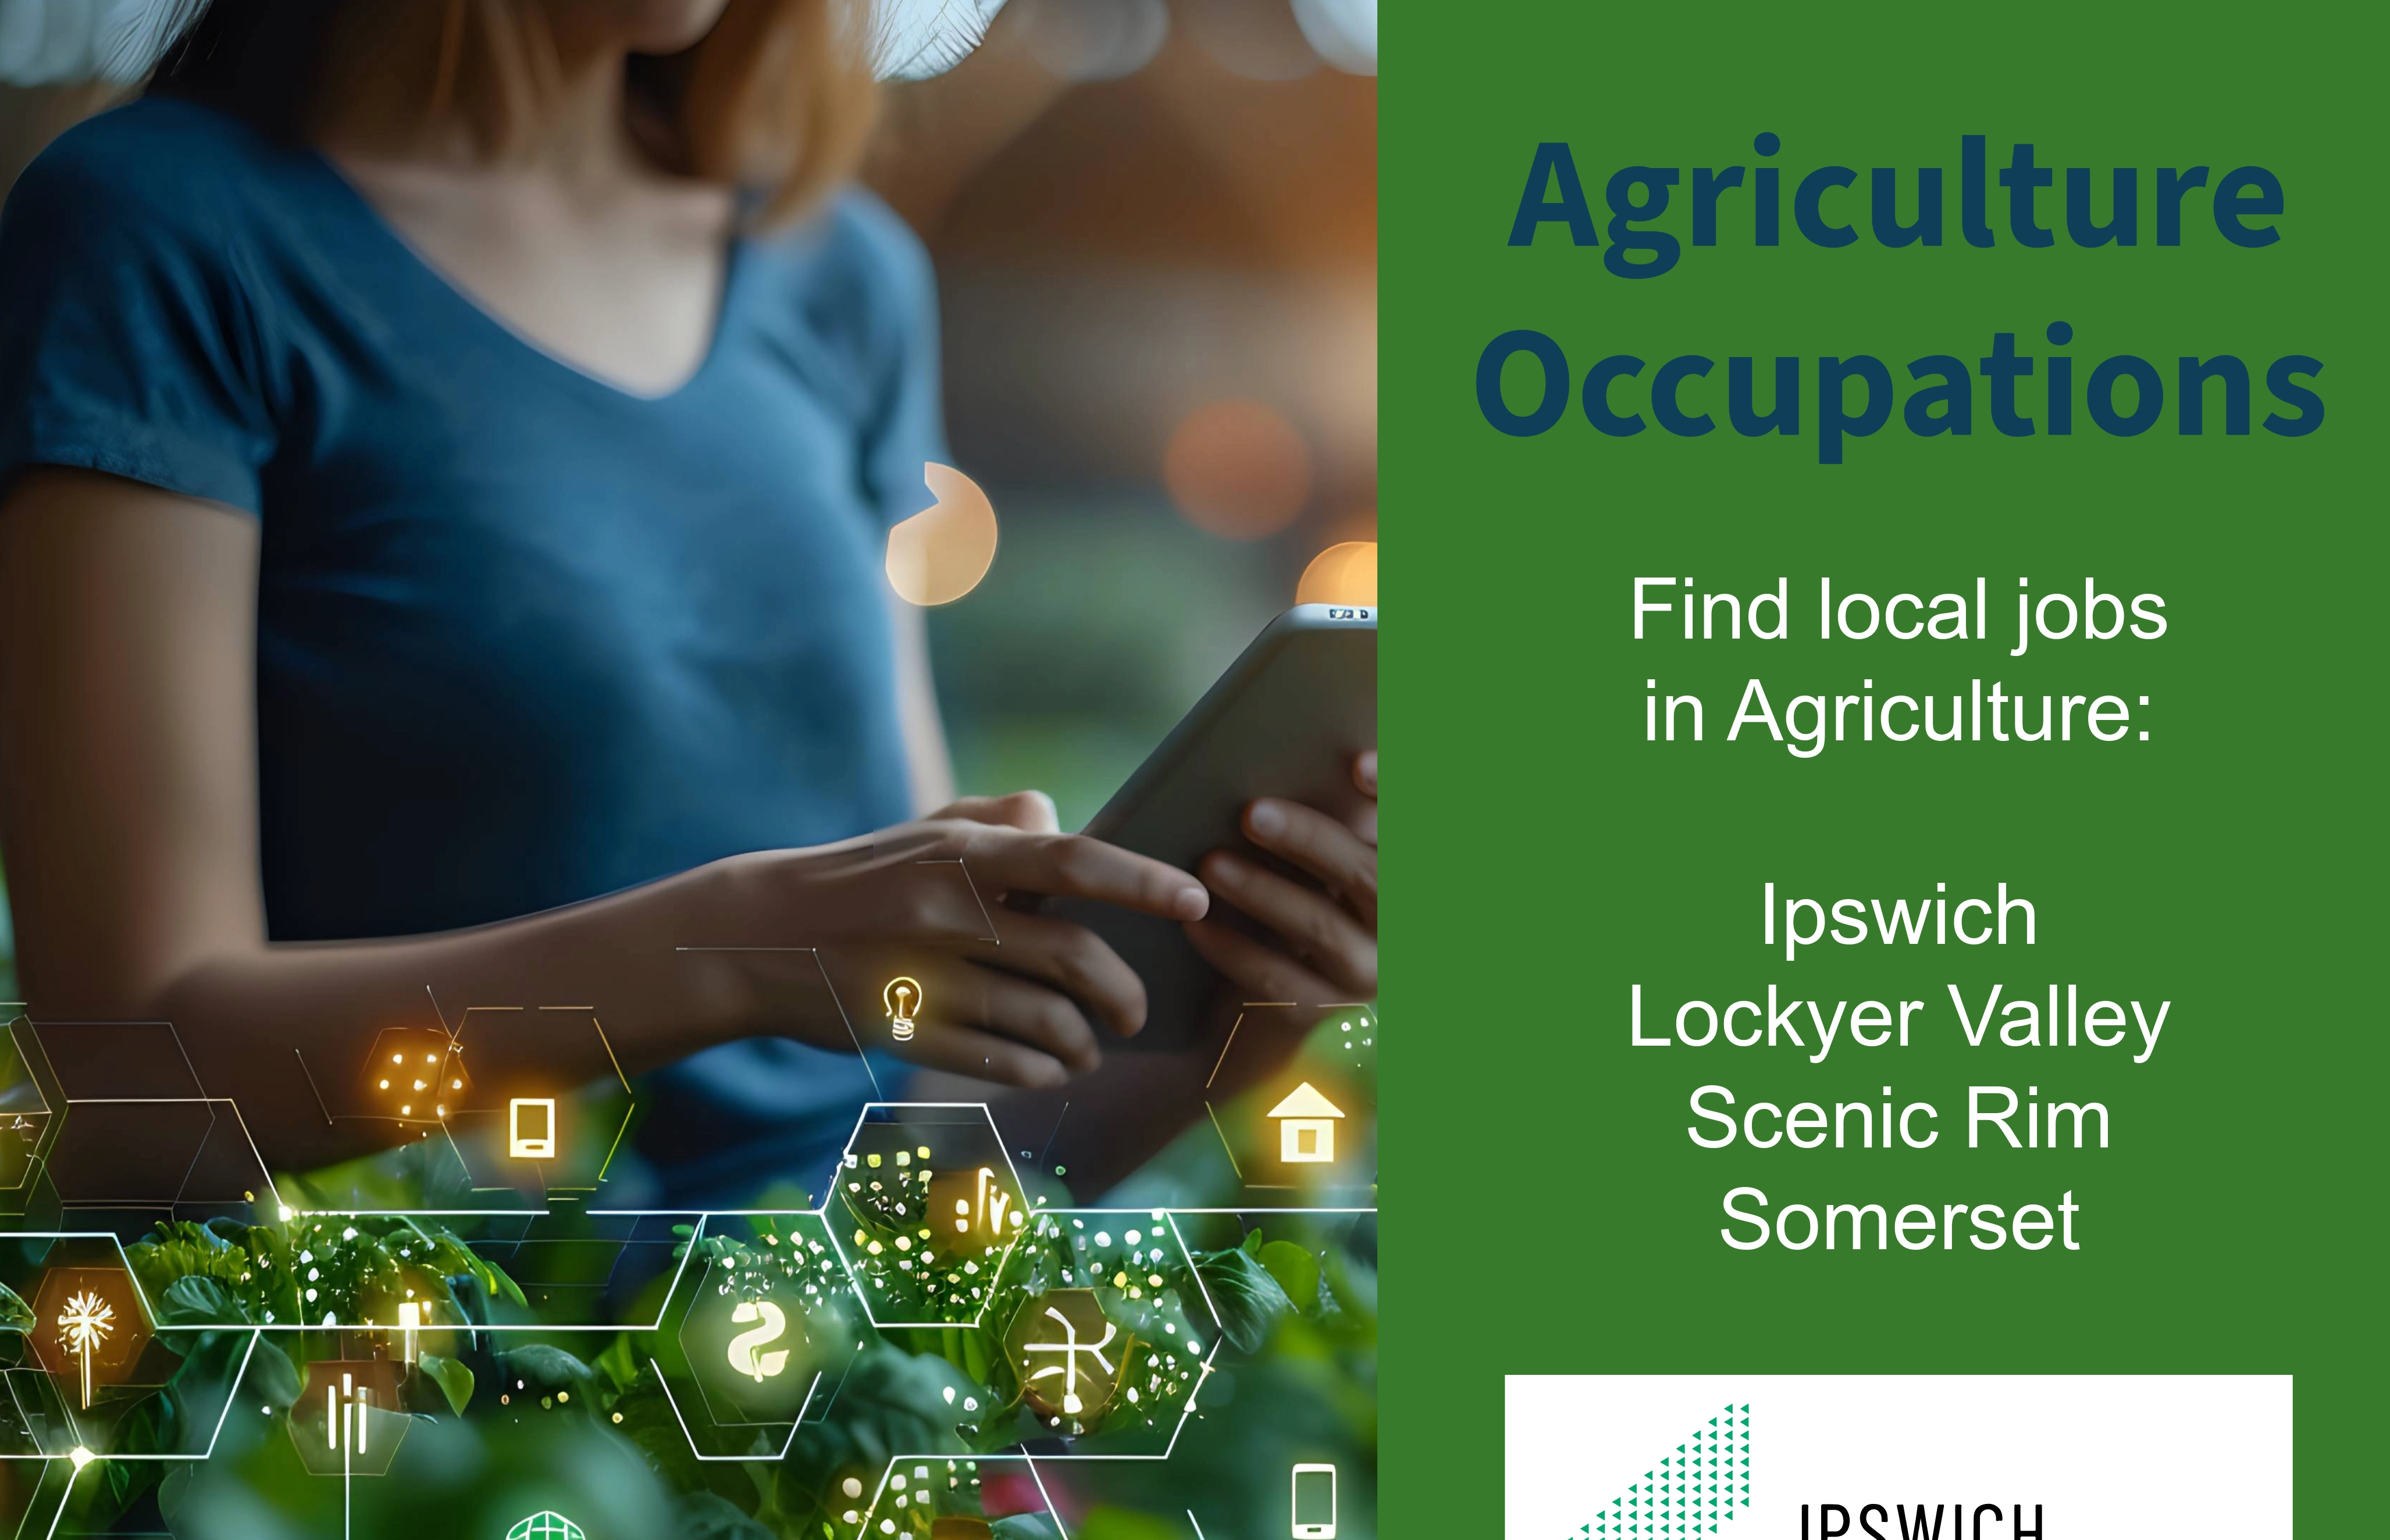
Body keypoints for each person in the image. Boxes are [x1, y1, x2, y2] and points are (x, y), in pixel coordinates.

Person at [0, 0, 1376, 1204]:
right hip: (403, 1429)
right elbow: (139, 1088)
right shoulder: (162, 232)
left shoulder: (838, 275)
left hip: (793, 1409)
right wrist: (733, 950)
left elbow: (914, 1151)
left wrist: (1227, 1029)